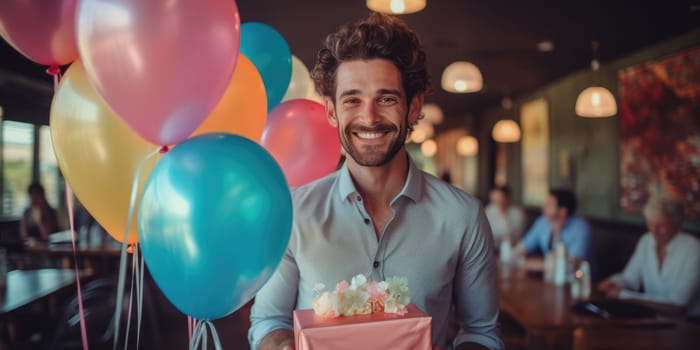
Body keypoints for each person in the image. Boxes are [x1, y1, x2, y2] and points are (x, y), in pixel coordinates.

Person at [249, 12, 502, 350]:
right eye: (352, 100)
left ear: (413, 108)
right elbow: (269, 321)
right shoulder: (293, 213)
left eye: (386, 99)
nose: (369, 118)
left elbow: (480, 332)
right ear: (331, 111)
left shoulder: (463, 217)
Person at [597, 196, 700, 317]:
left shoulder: (693, 249)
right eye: (650, 224)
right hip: (653, 319)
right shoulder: (646, 241)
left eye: (662, 226)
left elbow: (678, 305)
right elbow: (629, 278)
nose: (654, 231)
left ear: (677, 224)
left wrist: (623, 295)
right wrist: (613, 282)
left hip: (688, 325)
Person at [514, 188, 590, 262]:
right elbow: (523, 247)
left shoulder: (580, 228)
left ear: (563, 211)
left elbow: (573, 262)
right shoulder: (542, 222)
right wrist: (516, 256)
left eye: (549, 204)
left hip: (576, 274)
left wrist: (539, 265)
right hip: (549, 273)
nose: (543, 207)